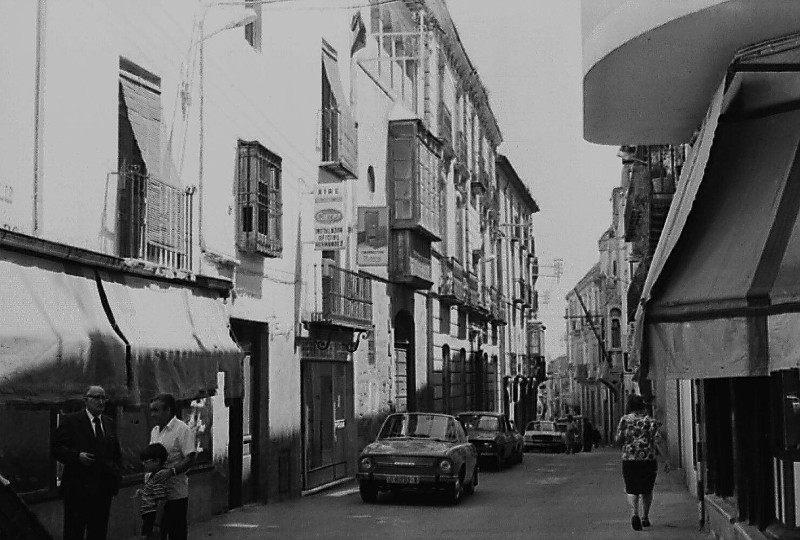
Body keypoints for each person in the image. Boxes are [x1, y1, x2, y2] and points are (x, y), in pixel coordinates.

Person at [52, 385, 122, 540]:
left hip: (103, 490)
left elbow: (116, 453)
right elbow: (56, 448)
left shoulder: (109, 423)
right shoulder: (71, 421)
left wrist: (116, 476)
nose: (101, 402)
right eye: (97, 397)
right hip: (78, 490)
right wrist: (77, 456)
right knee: (74, 532)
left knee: (98, 532)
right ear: (86, 400)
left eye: (104, 398)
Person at [615, 393, 670, 531]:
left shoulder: (624, 420)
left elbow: (617, 439)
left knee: (632, 489)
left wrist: (628, 443)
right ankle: (645, 517)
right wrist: (666, 458)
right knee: (647, 489)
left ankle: (635, 514)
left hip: (629, 460)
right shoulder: (649, 421)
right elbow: (658, 440)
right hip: (648, 460)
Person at [149, 394, 196, 540]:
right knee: (157, 532)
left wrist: (172, 471)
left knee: (177, 532)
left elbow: (190, 456)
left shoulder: (182, 429)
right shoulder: (155, 431)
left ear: (168, 410)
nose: (152, 415)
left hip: (176, 493)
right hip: (157, 493)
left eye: (156, 410)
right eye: (151, 411)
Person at [138, 443, 169, 540]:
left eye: (146, 462)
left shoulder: (158, 478)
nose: (143, 464)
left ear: (156, 461)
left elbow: (161, 500)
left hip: (153, 515)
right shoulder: (151, 476)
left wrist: (157, 523)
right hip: (148, 515)